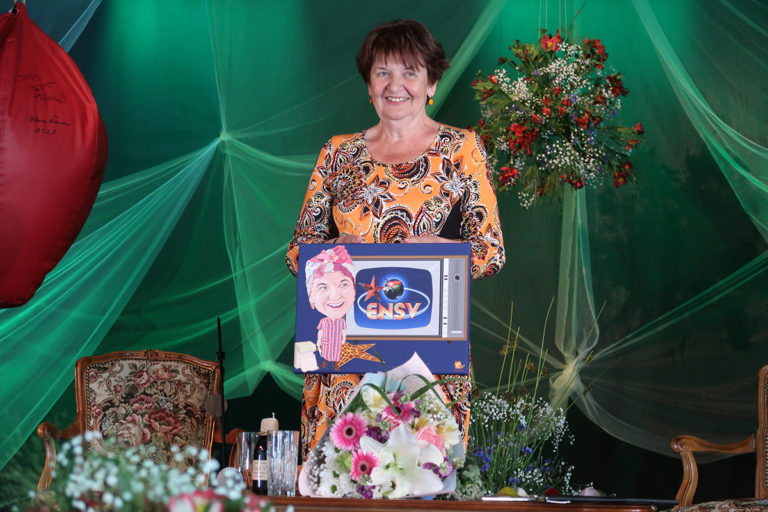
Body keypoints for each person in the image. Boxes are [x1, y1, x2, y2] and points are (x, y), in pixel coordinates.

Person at [286, 19, 505, 461]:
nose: (395, 85)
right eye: (382, 72)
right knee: (340, 478)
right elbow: (298, 251)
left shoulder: (462, 149)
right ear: (369, 86)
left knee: (421, 475)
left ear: (431, 83)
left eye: (410, 72)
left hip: (430, 361)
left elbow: (491, 251)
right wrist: (331, 253)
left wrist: (450, 252)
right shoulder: (337, 153)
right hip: (344, 356)